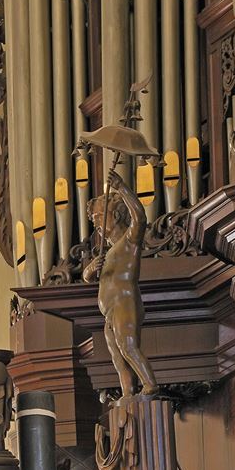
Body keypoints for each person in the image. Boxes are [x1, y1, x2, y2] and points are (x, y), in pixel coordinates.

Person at [84, 168, 157, 397]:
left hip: (125, 302)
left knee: (128, 346)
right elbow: (89, 277)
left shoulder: (129, 241)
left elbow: (140, 217)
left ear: (113, 215)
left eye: (98, 218)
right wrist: (90, 270)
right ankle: (127, 394)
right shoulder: (105, 253)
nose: (95, 224)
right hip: (110, 311)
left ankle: (150, 384)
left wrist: (121, 187)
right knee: (118, 359)